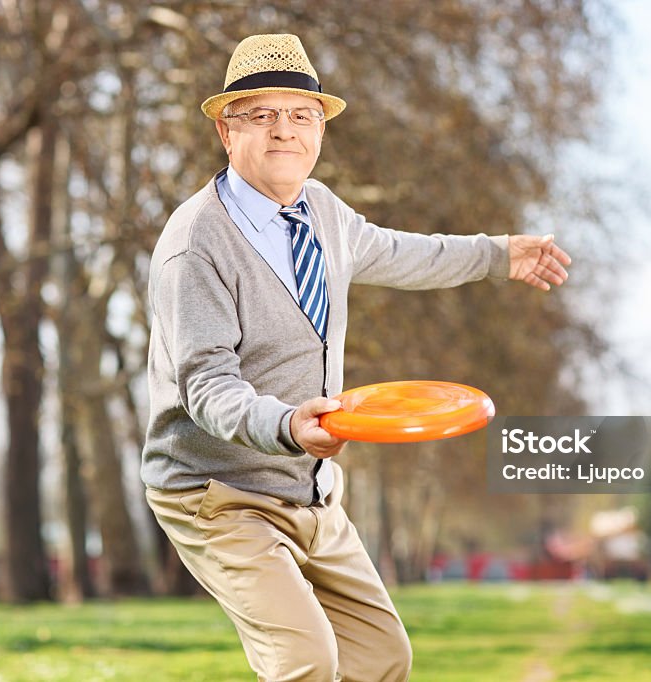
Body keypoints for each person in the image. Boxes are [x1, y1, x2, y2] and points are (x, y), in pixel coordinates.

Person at [142, 33, 572, 682]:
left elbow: (405, 253)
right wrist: (287, 425)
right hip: (219, 492)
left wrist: (498, 253)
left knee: (381, 658)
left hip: (311, 492)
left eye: (302, 115)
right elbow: (206, 385)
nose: (285, 131)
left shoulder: (324, 214)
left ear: (320, 129)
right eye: (263, 115)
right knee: (305, 661)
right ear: (228, 132)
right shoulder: (196, 243)